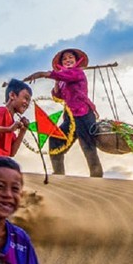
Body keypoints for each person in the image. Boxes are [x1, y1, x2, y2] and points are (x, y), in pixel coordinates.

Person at [24, 48, 103, 177]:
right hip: (70, 118)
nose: (67, 60)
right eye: (64, 59)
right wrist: (57, 81)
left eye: (70, 57)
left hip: (83, 115)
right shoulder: (62, 79)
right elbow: (58, 96)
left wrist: (42, 74)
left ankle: (97, 177)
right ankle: (59, 174)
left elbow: (65, 76)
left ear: (77, 60)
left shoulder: (77, 72)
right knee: (55, 140)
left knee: (88, 147)